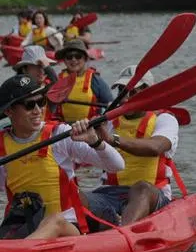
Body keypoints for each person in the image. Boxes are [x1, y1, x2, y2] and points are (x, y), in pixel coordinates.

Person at [0, 73, 124, 241]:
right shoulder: (2, 144)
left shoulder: (60, 134)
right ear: (9, 111)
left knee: (54, 221)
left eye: (41, 102)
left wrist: (95, 141)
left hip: (68, 226)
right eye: (29, 105)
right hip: (25, 227)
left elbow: (117, 166)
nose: (38, 110)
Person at [86, 67, 180, 227]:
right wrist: (89, 137)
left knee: (141, 188)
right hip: (110, 193)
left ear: (149, 93)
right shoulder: (107, 122)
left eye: (132, 92)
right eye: (122, 91)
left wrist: (110, 139)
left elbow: (155, 148)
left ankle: (122, 232)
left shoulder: (164, 120)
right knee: (73, 193)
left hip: (152, 194)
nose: (125, 99)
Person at [53, 39, 113, 125]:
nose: (73, 60)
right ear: (64, 60)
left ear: (85, 59)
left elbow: (111, 106)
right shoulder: (56, 81)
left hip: (90, 128)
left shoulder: (96, 81)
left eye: (78, 56)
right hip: (63, 130)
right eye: (69, 57)